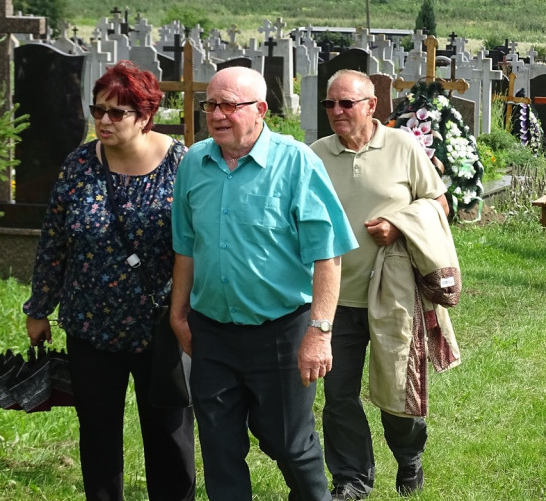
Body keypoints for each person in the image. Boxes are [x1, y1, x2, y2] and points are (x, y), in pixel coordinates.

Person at [170, 67, 358, 501]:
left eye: (229, 105)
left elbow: (327, 253)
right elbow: (185, 246)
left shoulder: (296, 163)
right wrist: (179, 313)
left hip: (281, 330)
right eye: (211, 104)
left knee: (289, 445)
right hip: (212, 330)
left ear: (260, 110)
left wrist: (320, 332)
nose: (217, 114)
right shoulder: (194, 163)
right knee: (219, 448)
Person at [24, 61, 195, 501]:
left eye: (117, 113)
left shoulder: (182, 163)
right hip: (90, 325)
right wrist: (39, 308)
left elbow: (197, 243)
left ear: (145, 116)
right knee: (98, 434)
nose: (103, 120)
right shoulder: (80, 163)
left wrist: (188, 312)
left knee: (169, 435)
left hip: (160, 326)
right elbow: (55, 240)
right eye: (97, 110)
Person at [311, 70, 458, 500]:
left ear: (371, 106)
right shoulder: (315, 155)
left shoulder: (402, 146)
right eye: (329, 104)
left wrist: (398, 223)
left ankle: (409, 455)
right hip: (335, 298)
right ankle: (352, 478)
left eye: (346, 104)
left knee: (397, 389)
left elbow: (439, 204)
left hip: (394, 294)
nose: (336, 112)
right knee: (338, 397)